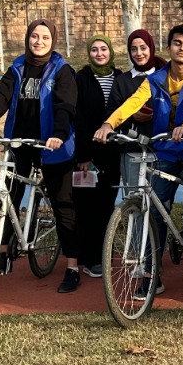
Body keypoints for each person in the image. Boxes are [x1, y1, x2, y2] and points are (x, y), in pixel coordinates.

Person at [94, 22, 183, 283]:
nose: (182, 48)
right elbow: (132, 103)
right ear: (168, 47)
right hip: (165, 149)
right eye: (177, 43)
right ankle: (152, 272)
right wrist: (109, 124)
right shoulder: (154, 80)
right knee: (154, 208)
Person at [0, 19, 80, 287]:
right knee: (8, 196)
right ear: (28, 39)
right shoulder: (17, 67)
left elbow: (65, 106)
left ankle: (72, 267)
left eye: (45, 38)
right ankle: (3, 252)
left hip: (52, 145)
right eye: (35, 37)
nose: (39, 42)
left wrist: (59, 135)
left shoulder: (62, 71)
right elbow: (0, 96)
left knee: (63, 205)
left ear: (53, 41)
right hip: (19, 143)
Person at [71, 37, 125, 289]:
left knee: (105, 204)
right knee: (84, 204)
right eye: (94, 49)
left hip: (112, 153)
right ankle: (87, 257)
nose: (99, 53)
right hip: (86, 155)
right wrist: (83, 156)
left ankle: (100, 256)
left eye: (104, 49)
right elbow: (78, 118)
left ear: (111, 52)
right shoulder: (81, 78)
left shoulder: (120, 77)